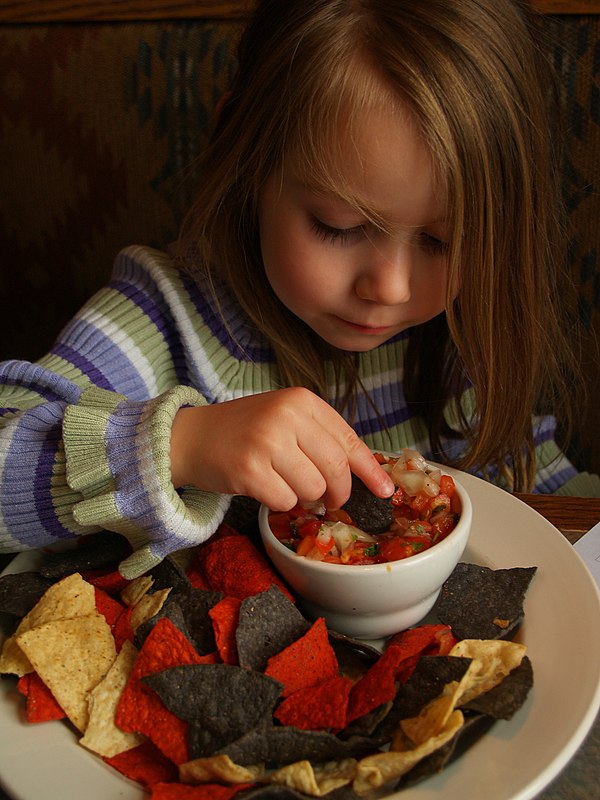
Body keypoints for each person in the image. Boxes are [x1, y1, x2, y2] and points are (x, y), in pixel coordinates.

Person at [0, 0, 598, 579]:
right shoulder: (159, 321)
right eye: (338, 226)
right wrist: (180, 444)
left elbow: (533, 482)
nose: (389, 288)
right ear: (249, 156)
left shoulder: (455, 331)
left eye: (443, 241)